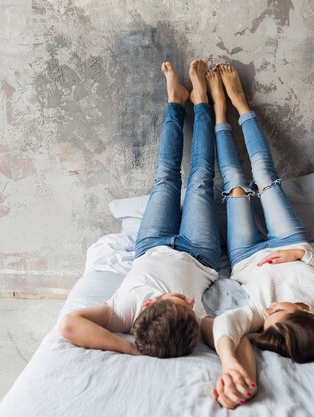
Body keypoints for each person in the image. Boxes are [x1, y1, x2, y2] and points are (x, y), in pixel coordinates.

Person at [200, 64, 314, 409]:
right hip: (291, 243)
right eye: (278, 310)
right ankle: (242, 105)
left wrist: (228, 362)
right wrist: (303, 257)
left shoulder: (268, 319)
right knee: (264, 174)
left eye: (268, 313)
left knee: (234, 183)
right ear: (304, 314)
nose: (270, 308)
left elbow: (226, 324)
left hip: (245, 256)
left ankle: (219, 115)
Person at [60, 59, 223, 358]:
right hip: (199, 253)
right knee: (201, 179)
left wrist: (127, 347)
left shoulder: (123, 312)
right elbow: (226, 338)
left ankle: (175, 101)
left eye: (180, 300)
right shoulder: (191, 320)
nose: (189, 302)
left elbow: (70, 324)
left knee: (166, 177)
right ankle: (201, 103)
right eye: (190, 305)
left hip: (151, 244)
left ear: (147, 306)